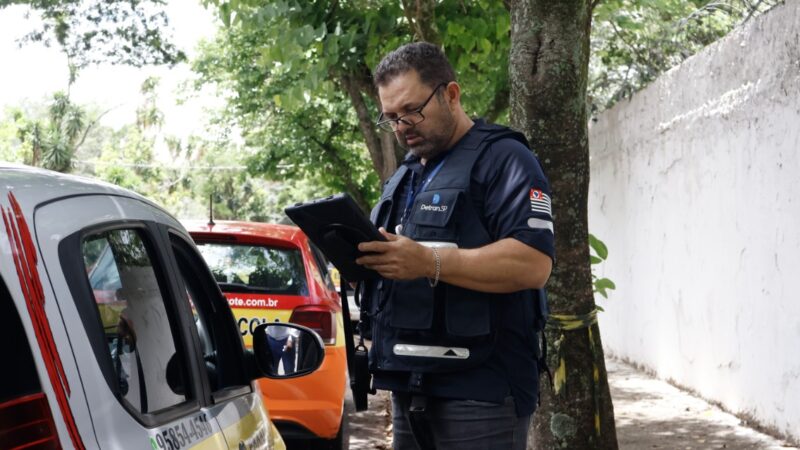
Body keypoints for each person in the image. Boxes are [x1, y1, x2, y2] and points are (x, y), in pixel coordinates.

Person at [355, 42, 554, 450]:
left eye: (412, 110)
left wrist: (428, 261)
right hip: (409, 382)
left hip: (483, 390)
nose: (402, 126)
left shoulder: (505, 159)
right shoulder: (406, 175)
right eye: (390, 117)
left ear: (451, 94)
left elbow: (533, 263)